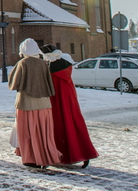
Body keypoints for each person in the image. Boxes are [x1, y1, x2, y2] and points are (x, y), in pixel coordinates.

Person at [41, 44, 98, 168]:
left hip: (54, 99)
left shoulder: (48, 67)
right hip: (70, 98)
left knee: (56, 127)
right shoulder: (66, 64)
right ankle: (82, 153)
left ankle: (55, 155)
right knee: (74, 123)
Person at [8, 38, 62, 169]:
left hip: (26, 104)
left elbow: (14, 83)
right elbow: (49, 83)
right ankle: (45, 155)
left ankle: (31, 158)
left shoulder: (23, 63)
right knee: (43, 133)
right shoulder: (43, 63)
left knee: (27, 132)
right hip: (44, 104)